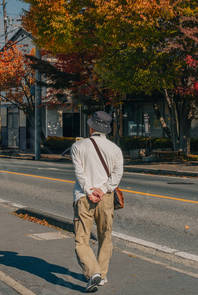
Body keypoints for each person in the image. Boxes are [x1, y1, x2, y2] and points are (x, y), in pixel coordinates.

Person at [71, 111, 124, 293]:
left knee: (82, 239)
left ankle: (93, 272)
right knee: (105, 236)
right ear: (106, 130)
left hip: (84, 197)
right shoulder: (115, 149)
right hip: (106, 197)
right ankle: (101, 274)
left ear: (91, 126)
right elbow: (117, 175)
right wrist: (102, 189)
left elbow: (79, 173)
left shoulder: (78, 146)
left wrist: (89, 190)